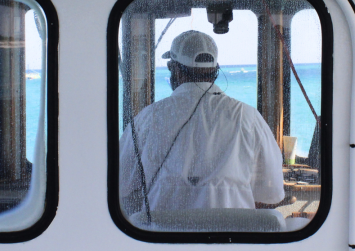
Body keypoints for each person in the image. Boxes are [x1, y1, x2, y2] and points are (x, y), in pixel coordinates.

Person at [119, 30, 285, 218]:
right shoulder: (247, 116)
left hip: (160, 241)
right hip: (232, 241)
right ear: (215, 70)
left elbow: (121, 184)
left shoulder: (148, 118)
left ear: (176, 70)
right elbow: (271, 193)